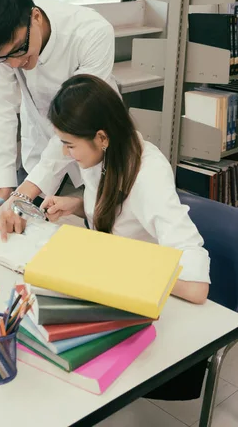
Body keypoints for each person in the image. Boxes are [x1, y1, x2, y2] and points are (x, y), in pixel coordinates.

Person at [41, 74, 210, 306]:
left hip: (143, 293)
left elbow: (196, 287)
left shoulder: (147, 176)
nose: (65, 154)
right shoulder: (108, 155)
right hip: (110, 279)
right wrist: (78, 206)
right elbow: (123, 214)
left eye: (70, 145)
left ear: (101, 137)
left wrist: (124, 265)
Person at [0, 0, 118, 237]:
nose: (15, 63)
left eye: (19, 51)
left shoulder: (92, 33)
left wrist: (24, 192)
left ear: (35, 17)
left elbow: (76, 120)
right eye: (5, 59)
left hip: (93, 147)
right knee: (27, 237)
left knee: (97, 231)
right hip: (39, 147)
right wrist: (4, 185)